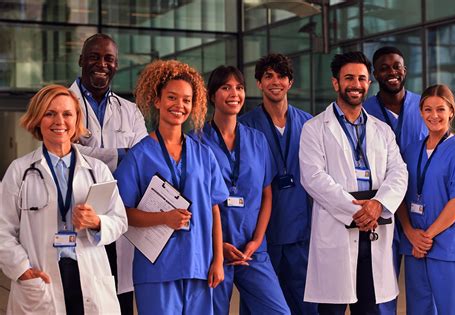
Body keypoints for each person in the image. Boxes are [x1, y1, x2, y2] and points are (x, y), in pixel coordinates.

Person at [0, 85, 127, 314]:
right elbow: (3, 230)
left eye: (67, 114)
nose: (59, 121)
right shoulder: (19, 171)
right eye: (50, 113)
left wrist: (97, 223)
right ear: (38, 119)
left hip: (89, 273)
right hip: (41, 275)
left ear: (76, 119)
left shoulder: (96, 170)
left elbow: (119, 220)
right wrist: (22, 269)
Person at [114, 59, 228, 314]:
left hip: (199, 265)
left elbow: (214, 209)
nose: (180, 106)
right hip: (157, 270)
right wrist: (163, 218)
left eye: (187, 100)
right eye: (172, 97)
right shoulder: (139, 156)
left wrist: (218, 260)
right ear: (157, 100)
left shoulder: (204, 154)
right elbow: (122, 213)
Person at [299, 51, 408, 314]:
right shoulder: (315, 128)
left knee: (371, 308)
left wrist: (377, 205)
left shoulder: (382, 130)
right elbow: (313, 178)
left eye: (361, 78)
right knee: (332, 308)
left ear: (368, 83)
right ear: (336, 83)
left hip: (375, 229)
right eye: (349, 78)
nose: (356, 84)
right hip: (337, 229)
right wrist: (358, 211)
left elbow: (399, 172)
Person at [197, 65, 290, 314]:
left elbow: (267, 193)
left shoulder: (257, 139)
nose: (234, 93)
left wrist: (257, 240)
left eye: (239, 87)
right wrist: (218, 246)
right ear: (211, 95)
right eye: (226, 87)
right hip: (212, 251)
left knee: (279, 311)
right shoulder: (197, 141)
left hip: (252, 250)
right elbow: (194, 200)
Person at [70, 33, 148, 313]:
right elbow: (64, 153)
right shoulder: (63, 106)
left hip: (119, 219)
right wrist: (120, 154)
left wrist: (89, 153)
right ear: (81, 60)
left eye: (108, 58)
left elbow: (142, 160)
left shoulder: (130, 111)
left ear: (115, 65)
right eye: (94, 56)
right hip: (77, 215)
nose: (101, 63)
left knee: (119, 303)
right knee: (80, 297)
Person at [239, 53, 317, 314]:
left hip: (301, 233)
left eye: (281, 76)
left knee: (305, 305)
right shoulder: (244, 127)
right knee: (260, 306)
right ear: (259, 83)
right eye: (268, 76)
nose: (275, 81)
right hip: (262, 235)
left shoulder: (310, 124)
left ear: (290, 82)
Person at [397, 84, 455, 314]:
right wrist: (411, 233)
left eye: (440, 109)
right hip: (415, 249)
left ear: (451, 111)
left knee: (454, 310)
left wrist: (426, 238)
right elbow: (399, 194)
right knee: (419, 309)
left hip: (448, 248)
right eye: (428, 109)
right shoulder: (410, 151)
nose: (434, 115)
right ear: (420, 112)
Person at [363, 46, 428, 313]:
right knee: (381, 282)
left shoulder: (423, 107)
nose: (392, 72)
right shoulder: (364, 111)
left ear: (405, 69)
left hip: (420, 205)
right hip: (380, 206)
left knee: (423, 283)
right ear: (375, 74)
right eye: (385, 68)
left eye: (397, 66)